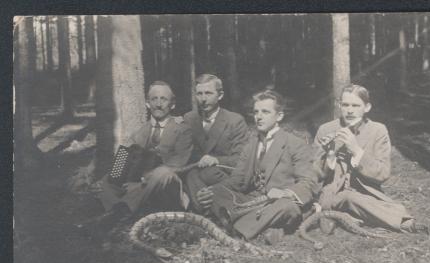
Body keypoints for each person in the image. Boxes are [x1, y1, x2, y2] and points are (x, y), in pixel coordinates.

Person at [196, 90, 319, 244]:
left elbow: (309, 182)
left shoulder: (294, 143)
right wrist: (211, 191)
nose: (258, 117)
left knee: (288, 207)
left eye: (265, 112)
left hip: (277, 202)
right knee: (216, 192)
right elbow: (237, 180)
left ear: (279, 116)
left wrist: (285, 193)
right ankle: (264, 227)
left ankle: (236, 230)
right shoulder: (251, 142)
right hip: (252, 200)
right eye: (256, 112)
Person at [77, 81, 194, 231]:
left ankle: (116, 215)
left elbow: (178, 165)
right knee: (108, 181)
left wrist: (143, 181)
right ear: (147, 103)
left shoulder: (182, 129)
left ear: (172, 104)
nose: (158, 104)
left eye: (163, 99)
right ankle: (118, 216)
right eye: (154, 99)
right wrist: (109, 178)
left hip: (168, 188)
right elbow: (124, 156)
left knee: (162, 173)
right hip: (140, 187)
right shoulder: (142, 130)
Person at [313, 84, 423, 233]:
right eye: (345, 105)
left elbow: (382, 173)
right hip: (332, 195)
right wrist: (330, 154)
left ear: (367, 107)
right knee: (346, 197)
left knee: (353, 198)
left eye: (356, 105)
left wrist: (356, 150)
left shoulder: (378, 130)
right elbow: (314, 175)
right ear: (339, 106)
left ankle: (345, 217)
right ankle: (404, 223)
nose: (350, 110)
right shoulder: (326, 129)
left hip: (366, 194)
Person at [183, 74, 249, 212]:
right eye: (199, 94)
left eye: (208, 93)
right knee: (191, 175)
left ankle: (208, 213)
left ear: (220, 95)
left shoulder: (235, 121)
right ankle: (209, 213)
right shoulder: (189, 119)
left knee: (204, 174)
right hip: (196, 177)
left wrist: (215, 159)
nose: (203, 99)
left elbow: (242, 160)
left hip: (223, 176)